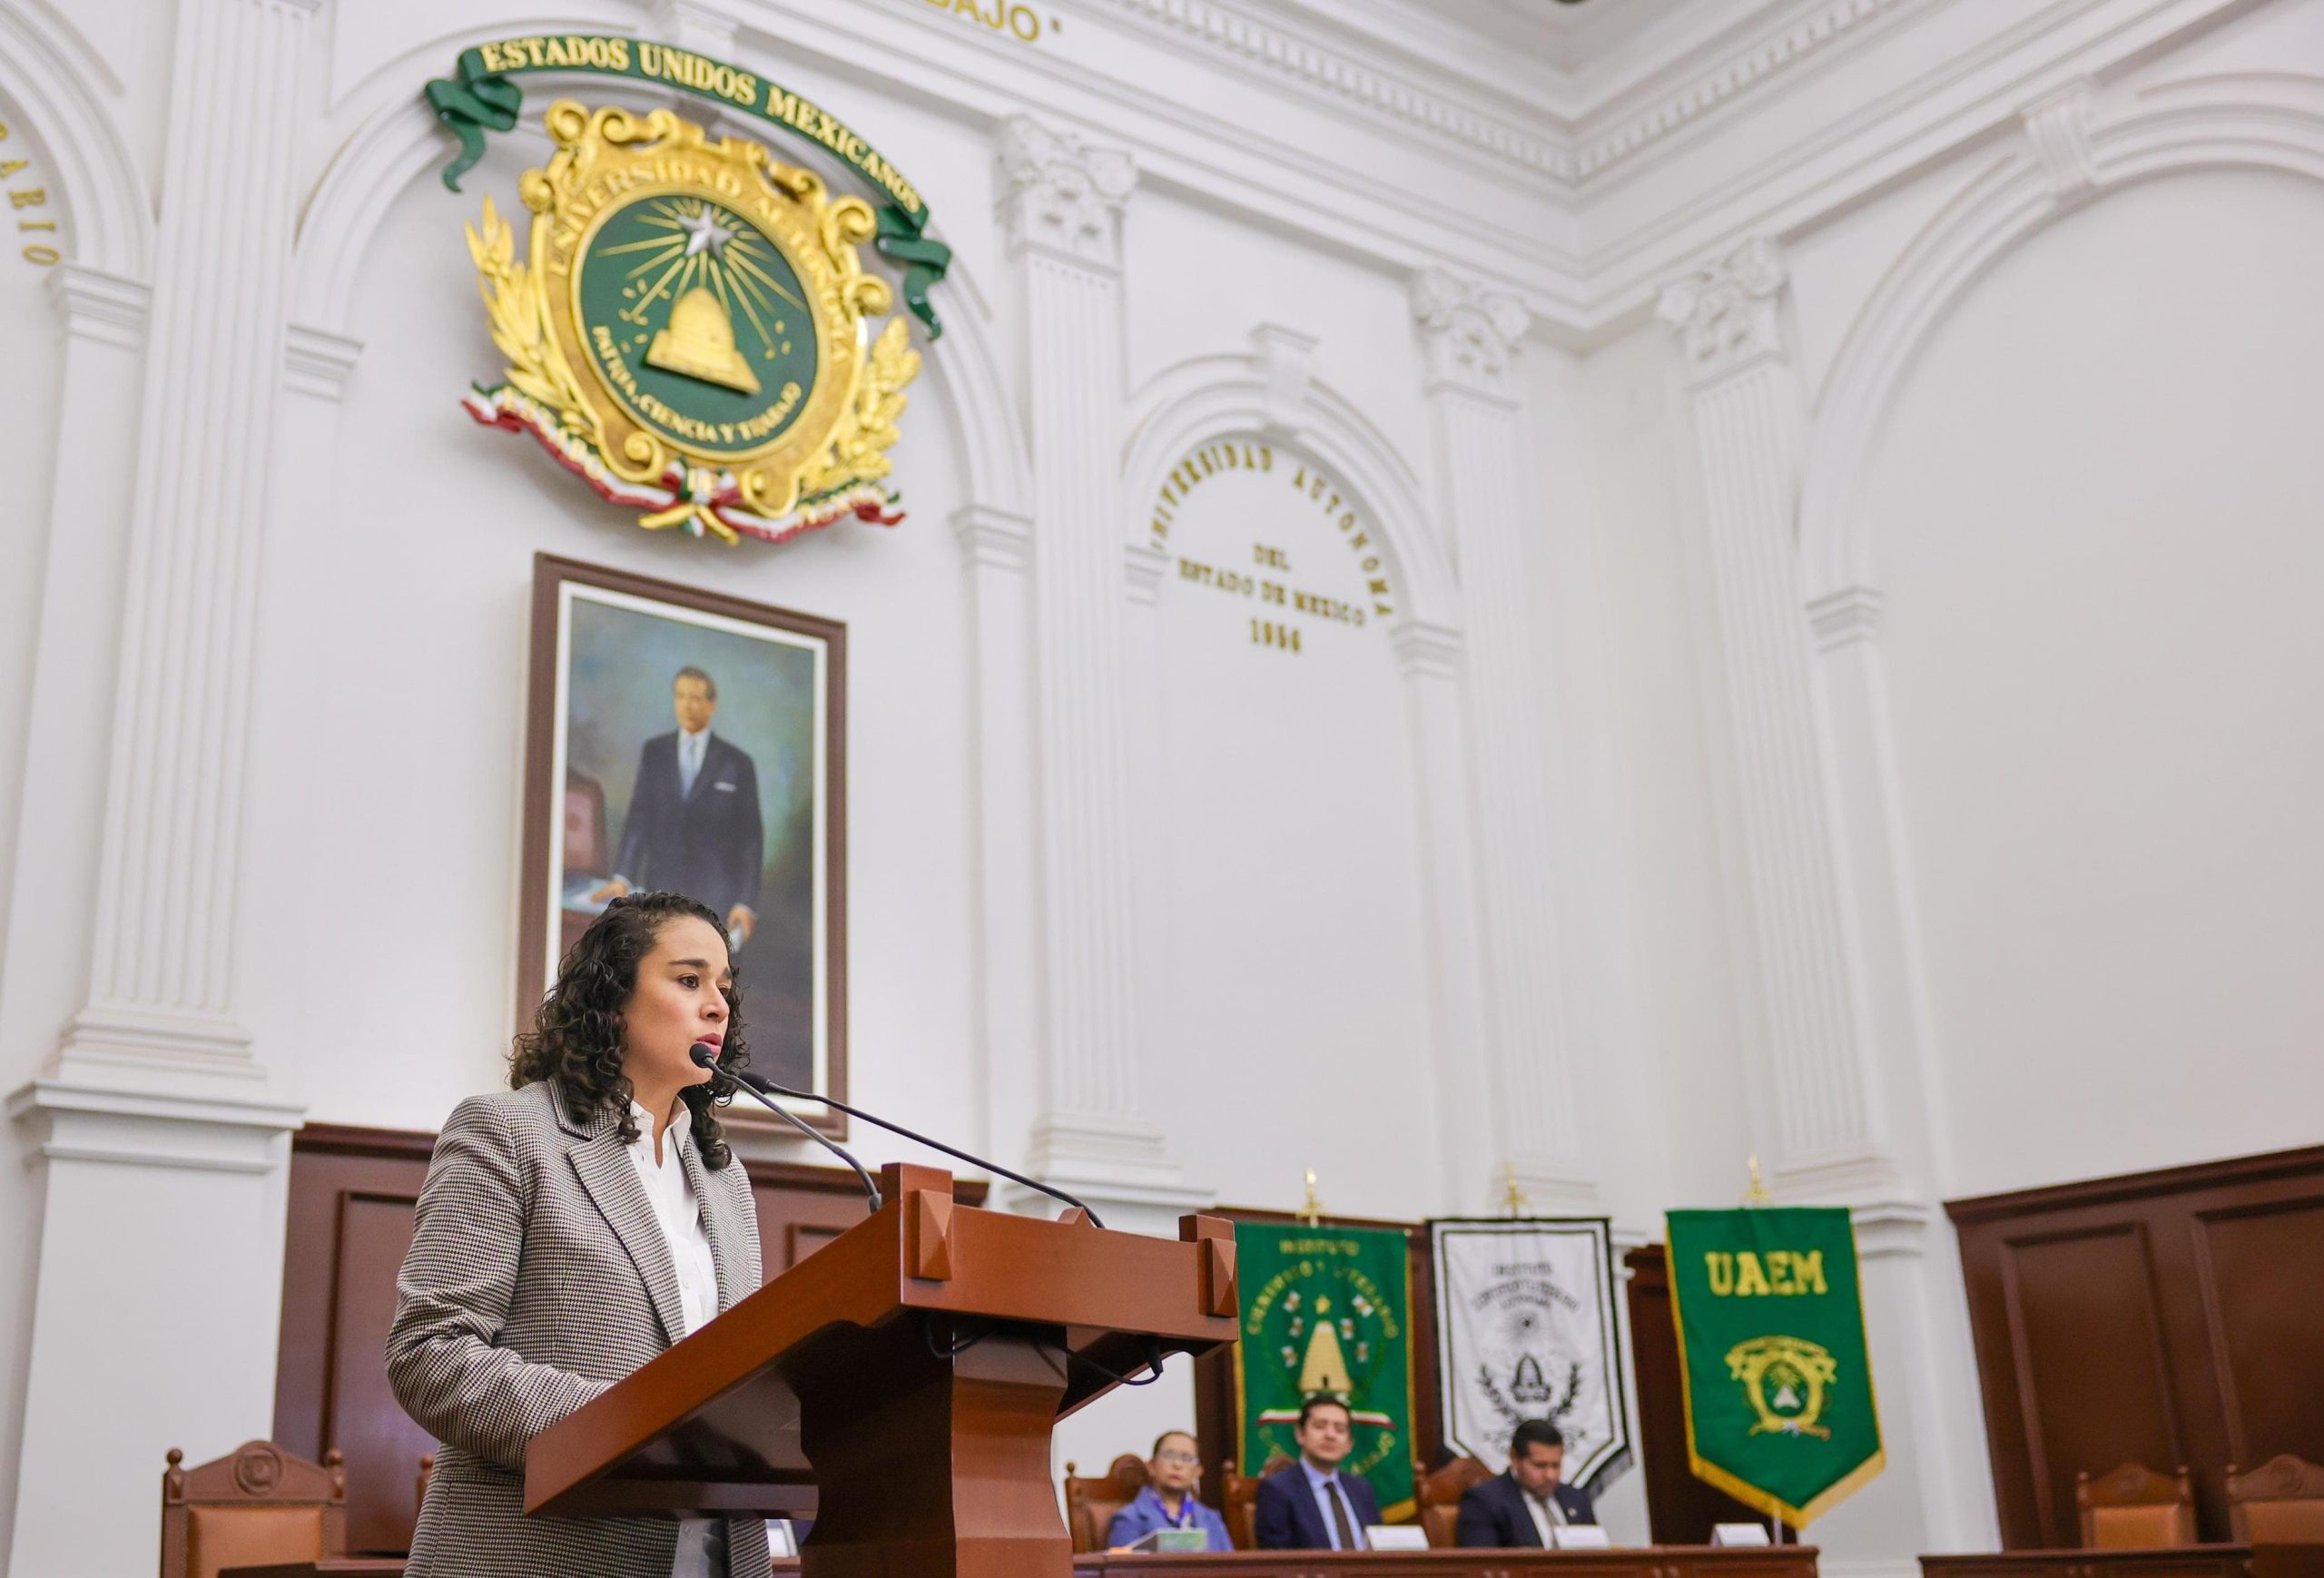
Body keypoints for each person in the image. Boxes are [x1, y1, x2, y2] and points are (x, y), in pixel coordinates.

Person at [388, 892, 769, 1577]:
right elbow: (429, 1352)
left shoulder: (722, 1178)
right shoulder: (508, 1133)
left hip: (712, 1557)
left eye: (724, 988)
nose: (717, 1005)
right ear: (614, 996)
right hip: (546, 1555)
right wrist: (636, 1423)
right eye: (689, 981)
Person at [591, 666, 763, 945]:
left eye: (695, 698)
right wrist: (623, 876)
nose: (687, 705)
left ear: (711, 704)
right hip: (660, 890)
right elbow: (640, 817)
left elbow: (751, 839)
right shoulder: (656, 752)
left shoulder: (737, 763)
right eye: (680, 696)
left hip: (716, 895)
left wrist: (745, 902)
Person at [1253, 1396, 1382, 1550]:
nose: (1330, 1435)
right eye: (1320, 1426)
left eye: (1339, 1429)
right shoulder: (1277, 1490)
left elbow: (1379, 1547)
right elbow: (1278, 1558)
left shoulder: (1361, 1488)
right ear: (1300, 1434)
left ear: (1349, 1444)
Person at [1454, 1419, 1597, 1546]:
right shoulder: (1484, 1502)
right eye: (1540, 1466)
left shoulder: (1577, 1499)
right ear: (1514, 1458)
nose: (1550, 1476)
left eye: (1556, 1466)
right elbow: (1481, 1567)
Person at [1104, 1431, 1234, 1551]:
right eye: (1169, 1455)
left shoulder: (1212, 1519)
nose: (1177, 1464)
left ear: (1197, 1471)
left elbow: (1230, 1569)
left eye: (1187, 1458)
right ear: (1152, 1466)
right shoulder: (1129, 1518)